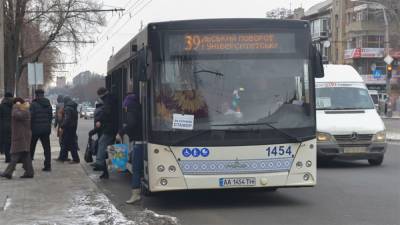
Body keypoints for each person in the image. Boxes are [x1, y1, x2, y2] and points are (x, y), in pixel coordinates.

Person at [0, 98, 34, 179]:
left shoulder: (23, 110)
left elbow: (16, 115)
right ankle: (29, 172)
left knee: (15, 154)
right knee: (25, 155)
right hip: (22, 136)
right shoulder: (24, 109)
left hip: (21, 136)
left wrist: (16, 106)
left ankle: (8, 172)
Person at [121, 93, 144, 204]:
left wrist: (121, 132)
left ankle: (135, 194)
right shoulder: (140, 109)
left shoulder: (130, 111)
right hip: (143, 141)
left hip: (138, 143)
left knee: (136, 169)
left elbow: (131, 124)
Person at [93, 87, 118, 179]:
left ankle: (99, 163)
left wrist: (100, 120)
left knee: (102, 143)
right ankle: (105, 172)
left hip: (109, 128)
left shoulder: (107, 101)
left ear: (101, 95)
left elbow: (107, 113)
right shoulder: (110, 99)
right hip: (111, 127)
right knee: (106, 149)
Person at [30, 89, 53, 171]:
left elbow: (31, 117)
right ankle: (48, 166)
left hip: (35, 129)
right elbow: (51, 117)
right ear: (43, 94)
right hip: (46, 129)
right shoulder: (48, 104)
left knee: (31, 147)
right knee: (47, 148)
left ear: (36, 95)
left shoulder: (33, 104)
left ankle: (29, 166)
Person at [59, 96, 80, 163]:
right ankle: (62, 157)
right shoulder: (73, 107)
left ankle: (75, 159)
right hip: (73, 127)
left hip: (68, 128)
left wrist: (62, 126)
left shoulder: (68, 108)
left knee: (70, 144)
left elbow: (67, 119)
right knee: (66, 143)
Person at [0, 92, 14, 163]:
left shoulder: (2, 105)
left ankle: (7, 158)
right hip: (13, 125)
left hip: (4, 126)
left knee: (6, 142)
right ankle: (13, 157)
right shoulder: (14, 104)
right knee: (12, 142)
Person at [54, 95, 67, 162]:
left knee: (61, 141)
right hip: (66, 125)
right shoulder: (66, 104)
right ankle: (65, 156)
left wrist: (55, 124)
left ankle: (61, 156)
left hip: (61, 125)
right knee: (65, 141)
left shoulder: (58, 105)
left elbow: (57, 115)